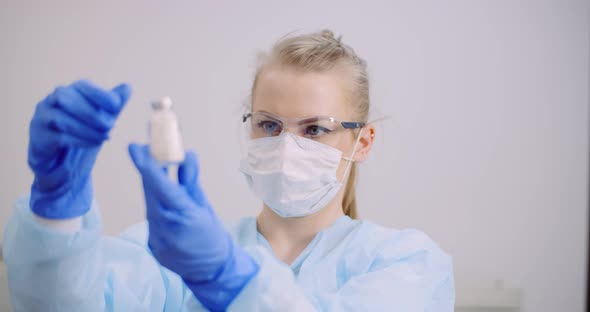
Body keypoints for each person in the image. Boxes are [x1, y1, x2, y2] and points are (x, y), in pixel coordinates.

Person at [3, 30, 454, 311]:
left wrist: (225, 277)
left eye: (315, 129)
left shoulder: (408, 264)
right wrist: (56, 208)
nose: (286, 147)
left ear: (362, 141)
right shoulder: (165, 254)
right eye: (270, 125)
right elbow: (60, 305)